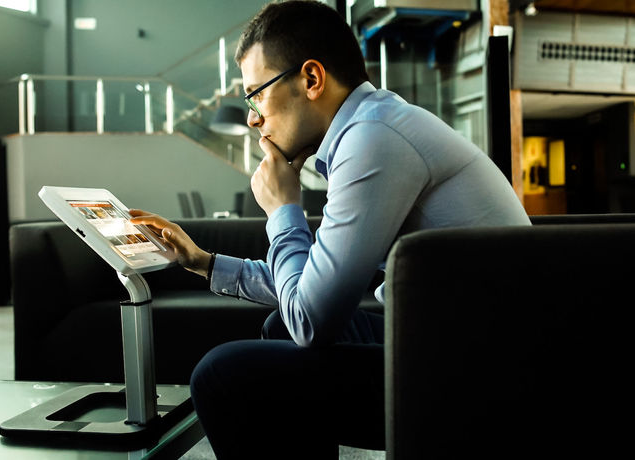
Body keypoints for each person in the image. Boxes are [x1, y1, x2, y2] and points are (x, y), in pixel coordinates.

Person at [129, 1, 530, 457]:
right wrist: (202, 263)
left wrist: (283, 207)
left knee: (220, 375)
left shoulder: (374, 140)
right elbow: (310, 290)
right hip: (455, 341)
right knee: (278, 327)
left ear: (312, 79)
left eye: (256, 93)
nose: (252, 118)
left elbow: (310, 321)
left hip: (483, 371)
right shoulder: (372, 127)